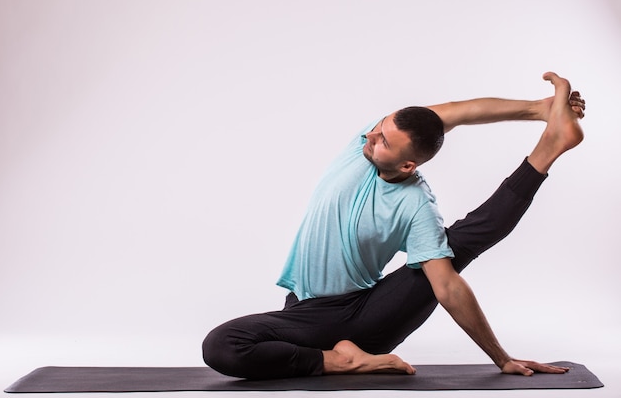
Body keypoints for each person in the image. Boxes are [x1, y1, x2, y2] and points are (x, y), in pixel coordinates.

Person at [202, 72, 585, 380]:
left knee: (458, 243)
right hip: (304, 315)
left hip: (366, 318)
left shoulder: (416, 205)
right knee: (221, 345)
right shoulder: (363, 148)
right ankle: (337, 360)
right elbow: (459, 111)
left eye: (383, 140)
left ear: (408, 165)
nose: (369, 137)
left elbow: (447, 286)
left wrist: (501, 358)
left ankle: (549, 148)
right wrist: (540, 107)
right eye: (378, 129)